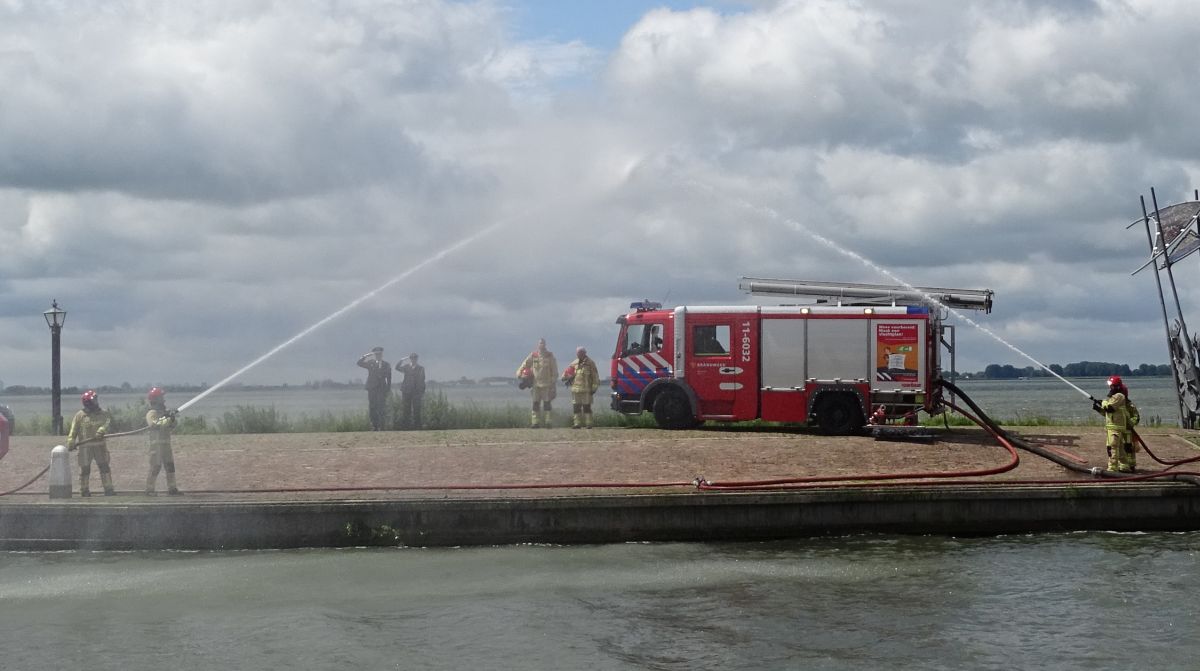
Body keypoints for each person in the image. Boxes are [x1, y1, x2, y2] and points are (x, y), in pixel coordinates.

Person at [66, 389, 114, 497]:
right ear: (88, 402)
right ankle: (84, 490)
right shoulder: (80, 415)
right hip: (85, 447)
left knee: (104, 467)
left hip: (100, 446)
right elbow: (73, 429)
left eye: (96, 400)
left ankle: (109, 488)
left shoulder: (104, 414)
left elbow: (108, 423)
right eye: (94, 400)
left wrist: (102, 429)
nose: (96, 402)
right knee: (85, 469)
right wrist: (71, 440)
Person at [1093, 375, 1140, 473]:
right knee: (1120, 448)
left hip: (1125, 429)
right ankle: (1124, 465)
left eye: (1111, 386)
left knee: (1124, 447)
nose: (1110, 388)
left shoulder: (1121, 399)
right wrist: (1098, 408)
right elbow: (1109, 413)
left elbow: (1135, 416)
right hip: (1117, 427)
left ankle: (1121, 466)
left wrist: (1131, 423)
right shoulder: (1114, 400)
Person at [144, 387, 181, 496]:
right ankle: (149, 489)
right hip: (156, 446)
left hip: (166, 444)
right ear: (155, 399)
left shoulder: (165, 412)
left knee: (170, 466)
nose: (163, 399)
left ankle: (172, 488)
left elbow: (173, 426)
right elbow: (154, 424)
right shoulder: (152, 413)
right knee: (155, 466)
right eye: (161, 397)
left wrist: (172, 419)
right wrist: (167, 419)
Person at [517, 338, 559, 428]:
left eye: (543, 343)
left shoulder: (549, 356)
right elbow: (524, 364)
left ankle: (548, 422)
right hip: (535, 384)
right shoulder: (533, 355)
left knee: (547, 403)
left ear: (545, 345)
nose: (541, 345)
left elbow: (554, 371)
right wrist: (519, 374)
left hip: (546, 384)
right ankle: (535, 423)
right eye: (540, 343)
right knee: (535, 403)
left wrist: (553, 382)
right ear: (538, 345)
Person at [562, 346, 600, 429]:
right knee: (576, 407)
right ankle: (577, 424)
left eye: (580, 352)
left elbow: (595, 377)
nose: (578, 354)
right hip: (575, 390)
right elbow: (566, 373)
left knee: (587, 407)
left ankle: (589, 424)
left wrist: (594, 388)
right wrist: (566, 377)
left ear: (584, 353)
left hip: (586, 390)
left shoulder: (590, 363)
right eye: (577, 353)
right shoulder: (574, 363)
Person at [357, 346, 392, 431]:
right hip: (372, 388)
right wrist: (366, 356)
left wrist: (388, 389)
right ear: (374, 355)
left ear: (382, 354)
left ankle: (382, 426)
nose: (378, 356)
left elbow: (389, 377)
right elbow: (359, 363)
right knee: (372, 407)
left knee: (381, 407)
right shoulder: (370, 363)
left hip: (382, 389)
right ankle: (374, 426)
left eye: (379, 354)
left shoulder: (386, 364)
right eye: (376, 354)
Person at [395, 353, 426, 430]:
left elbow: (422, 380)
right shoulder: (406, 367)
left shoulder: (421, 368)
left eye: (415, 358)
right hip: (406, 391)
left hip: (416, 392)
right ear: (410, 359)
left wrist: (421, 392)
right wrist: (401, 360)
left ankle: (417, 427)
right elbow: (397, 368)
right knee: (406, 409)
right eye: (412, 358)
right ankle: (406, 427)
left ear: (417, 359)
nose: (413, 359)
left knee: (417, 410)